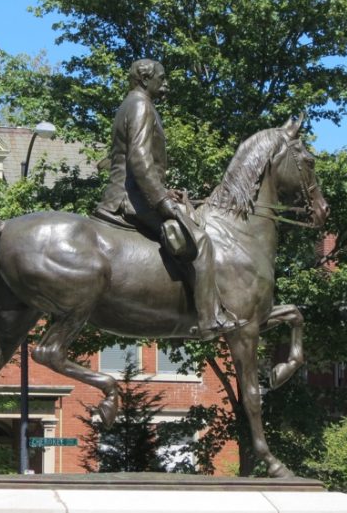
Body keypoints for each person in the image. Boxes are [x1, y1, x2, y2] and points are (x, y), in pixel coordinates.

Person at [93, 59, 243, 339]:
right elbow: (139, 159)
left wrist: (165, 189)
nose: (166, 85)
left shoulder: (131, 104)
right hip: (131, 199)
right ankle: (209, 318)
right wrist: (162, 201)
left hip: (133, 192)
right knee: (199, 241)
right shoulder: (140, 105)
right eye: (161, 79)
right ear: (143, 79)